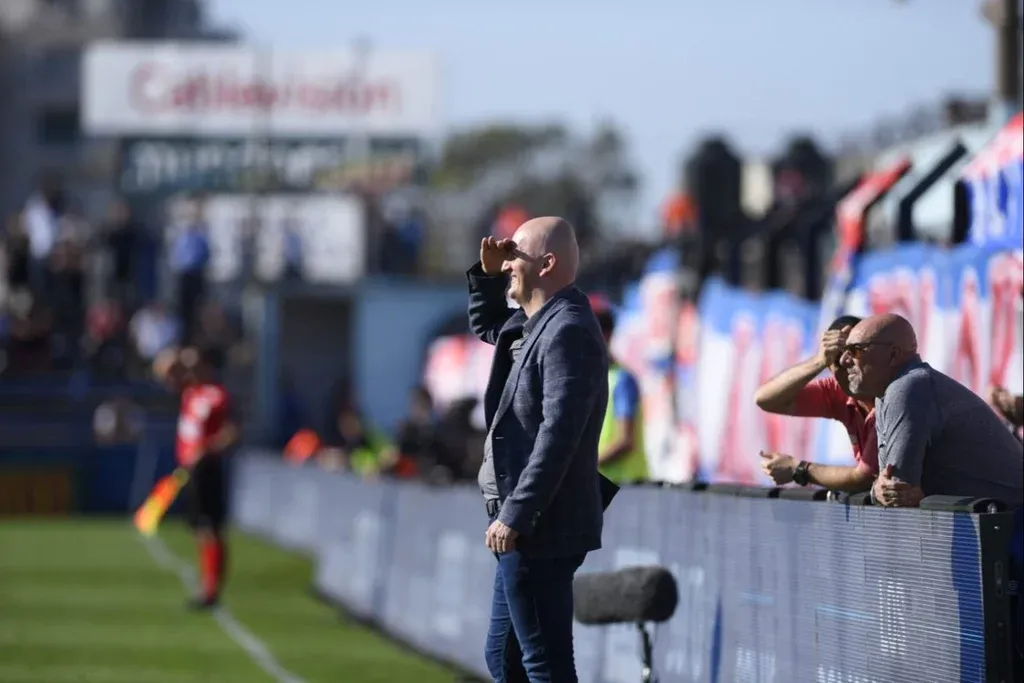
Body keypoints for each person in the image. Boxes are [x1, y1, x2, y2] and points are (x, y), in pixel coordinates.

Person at [468, 216, 609, 683]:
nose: (508, 263)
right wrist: (488, 274)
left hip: (542, 524)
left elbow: (558, 434)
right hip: (530, 523)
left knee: (544, 665)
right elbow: (488, 325)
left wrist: (518, 512)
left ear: (546, 264)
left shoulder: (568, 330)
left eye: (516, 254)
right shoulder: (537, 323)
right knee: (505, 659)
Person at [838, 314, 1023, 508]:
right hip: (994, 518)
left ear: (893, 355)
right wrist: (878, 490)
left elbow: (897, 491)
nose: (843, 360)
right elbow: (891, 489)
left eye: (855, 350)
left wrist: (881, 490)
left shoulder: (907, 388)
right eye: (844, 351)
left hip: (1011, 519)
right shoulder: (889, 393)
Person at [154, 346, 238, 609]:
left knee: (210, 527)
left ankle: (212, 588)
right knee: (198, 528)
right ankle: (207, 584)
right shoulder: (191, 392)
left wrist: (207, 449)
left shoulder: (217, 395)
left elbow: (232, 432)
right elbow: (164, 371)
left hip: (206, 467)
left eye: (193, 366)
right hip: (189, 468)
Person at [754, 315, 878, 492]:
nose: (845, 362)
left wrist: (798, 469)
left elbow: (866, 478)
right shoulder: (839, 390)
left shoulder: (893, 395)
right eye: (836, 358)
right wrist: (819, 360)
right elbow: (765, 399)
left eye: (854, 352)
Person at [594, 305, 647, 484]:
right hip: (601, 486)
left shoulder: (621, 380)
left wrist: (586, 466)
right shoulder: (588, 381)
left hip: (626, 487)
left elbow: (625, 441)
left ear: (606, 335)